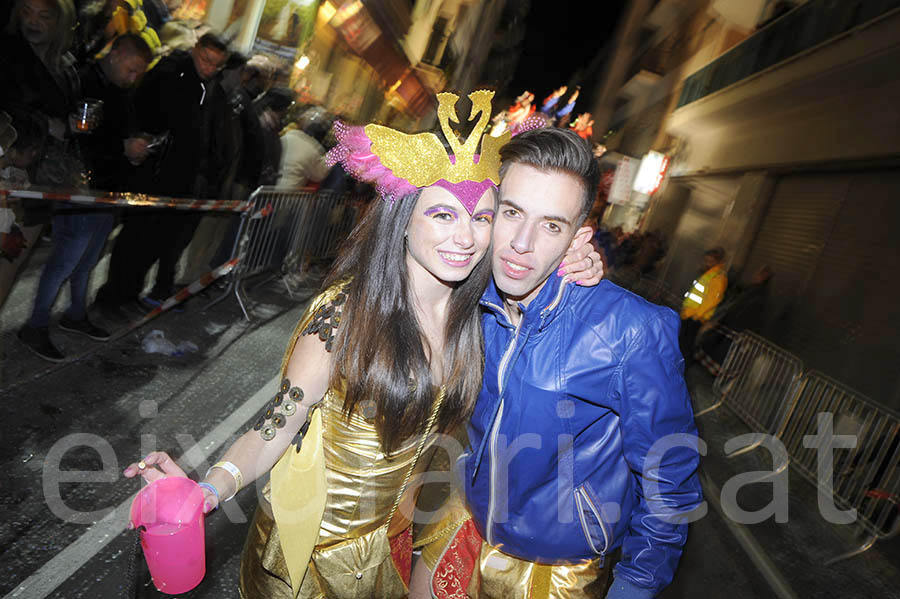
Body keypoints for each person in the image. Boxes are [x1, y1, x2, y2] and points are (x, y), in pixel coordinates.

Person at [122, 91, 603, 599]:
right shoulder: (346, 313)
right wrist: (209, 489)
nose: (465, 237)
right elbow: (279, 421)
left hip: (388, 550)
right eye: (442, 215)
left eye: (482, 218)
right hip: (310, 557)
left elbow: (551, 278)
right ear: (404, 219)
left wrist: (584, 261)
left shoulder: (480, 312)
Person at [417, 128, 702, 599]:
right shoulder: (467, 293)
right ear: (488, 213)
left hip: (555, 568)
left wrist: (635, 585)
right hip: (463, 521)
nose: (522, 243)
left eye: (551, 225)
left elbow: (669, 475)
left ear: (578, 237)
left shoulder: (630, 330)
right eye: (511, 213)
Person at [17, 33, 154, 361]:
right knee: (66, 259)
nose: (134, 77)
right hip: (79, 186)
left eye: (139, 73)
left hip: (105, 187)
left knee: (88, 259)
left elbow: (118, 132)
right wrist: (122, 147)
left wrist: (135, 150)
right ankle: (35, 325)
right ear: (117, 53)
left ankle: (75, 314)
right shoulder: (85, 81)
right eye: (132, 69)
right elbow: (80, 137)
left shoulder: (120, 91)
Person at [93, 31, 230, 317]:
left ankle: (129, 293)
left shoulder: (211, 89)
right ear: (196, 50)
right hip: (152, 173)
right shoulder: (170, 74)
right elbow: (144, 112)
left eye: (215, 65)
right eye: (205, 60)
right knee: (134, 239)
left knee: (154, 242)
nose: (208, 68)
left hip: (179, 179)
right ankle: (112, 296)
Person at [679, 246, 727, 366]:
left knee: (686, 345)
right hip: (690, 315)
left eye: (710, 261)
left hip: (695, 317)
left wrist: (697, 315)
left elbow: (712, 300)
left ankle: (681, 369)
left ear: (718, 262)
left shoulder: (718, 277)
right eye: (706, 260)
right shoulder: (709, 274)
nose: (707, 263)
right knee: (683, 343)